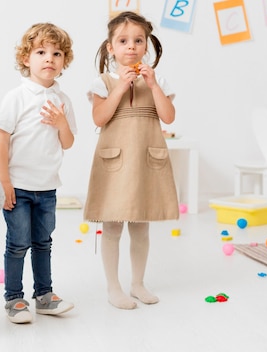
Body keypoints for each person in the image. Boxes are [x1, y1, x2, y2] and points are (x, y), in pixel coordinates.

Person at [83, 11, 179, 310]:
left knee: (141, 225)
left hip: (145, 161)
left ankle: (138, 283)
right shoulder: (103, 82)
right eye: (123, 41)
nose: (132, 47)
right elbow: (100, 117)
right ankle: (114, 287)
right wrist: (122, 86)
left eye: (138, 40)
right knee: (112, 226)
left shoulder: (157, 80)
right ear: (111, 47)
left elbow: (168, 116)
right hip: (116, 162)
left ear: (146, 45)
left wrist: (153, 86)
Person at [0, 23, 77, 324]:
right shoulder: (16, 97)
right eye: (41, 52)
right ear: (26, 58)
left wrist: (61, 123)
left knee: (43, 243)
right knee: (17, 244)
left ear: (63, 61)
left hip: (47, 189)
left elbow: (67, 142)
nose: (49, 58)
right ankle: (14, 298)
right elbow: (2, 140)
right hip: (17, 186)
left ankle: (44, 295)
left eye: (56, 53)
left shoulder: (63, 101)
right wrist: (3, 181)